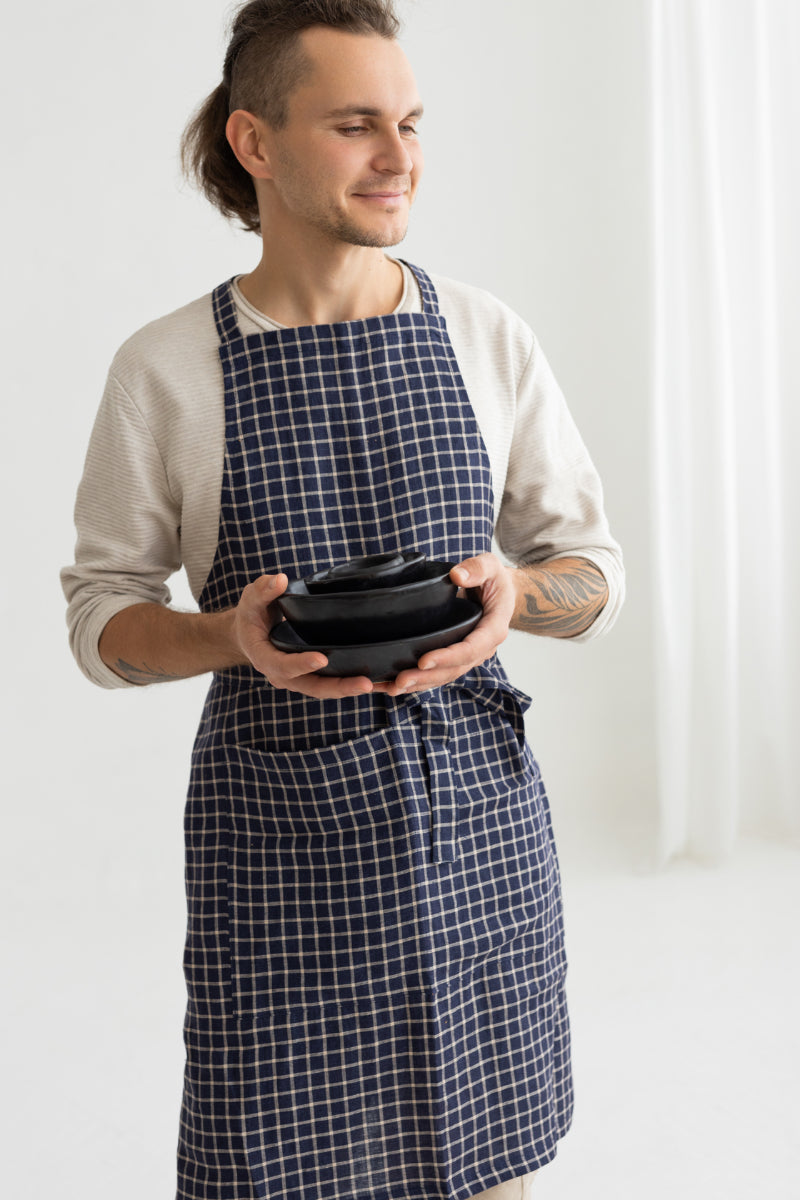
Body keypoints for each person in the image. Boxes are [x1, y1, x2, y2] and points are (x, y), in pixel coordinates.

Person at [61, 2, 624, 1197]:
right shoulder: (164, 370)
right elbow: (101, 622)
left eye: (410, 123)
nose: (401, 156)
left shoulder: (483, 336)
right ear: (254, 143)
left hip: (477, 839)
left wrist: (511, 596)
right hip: (278, 851)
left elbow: (593, 578)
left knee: (489, 1170)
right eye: (357, 124)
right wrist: (227, 636)